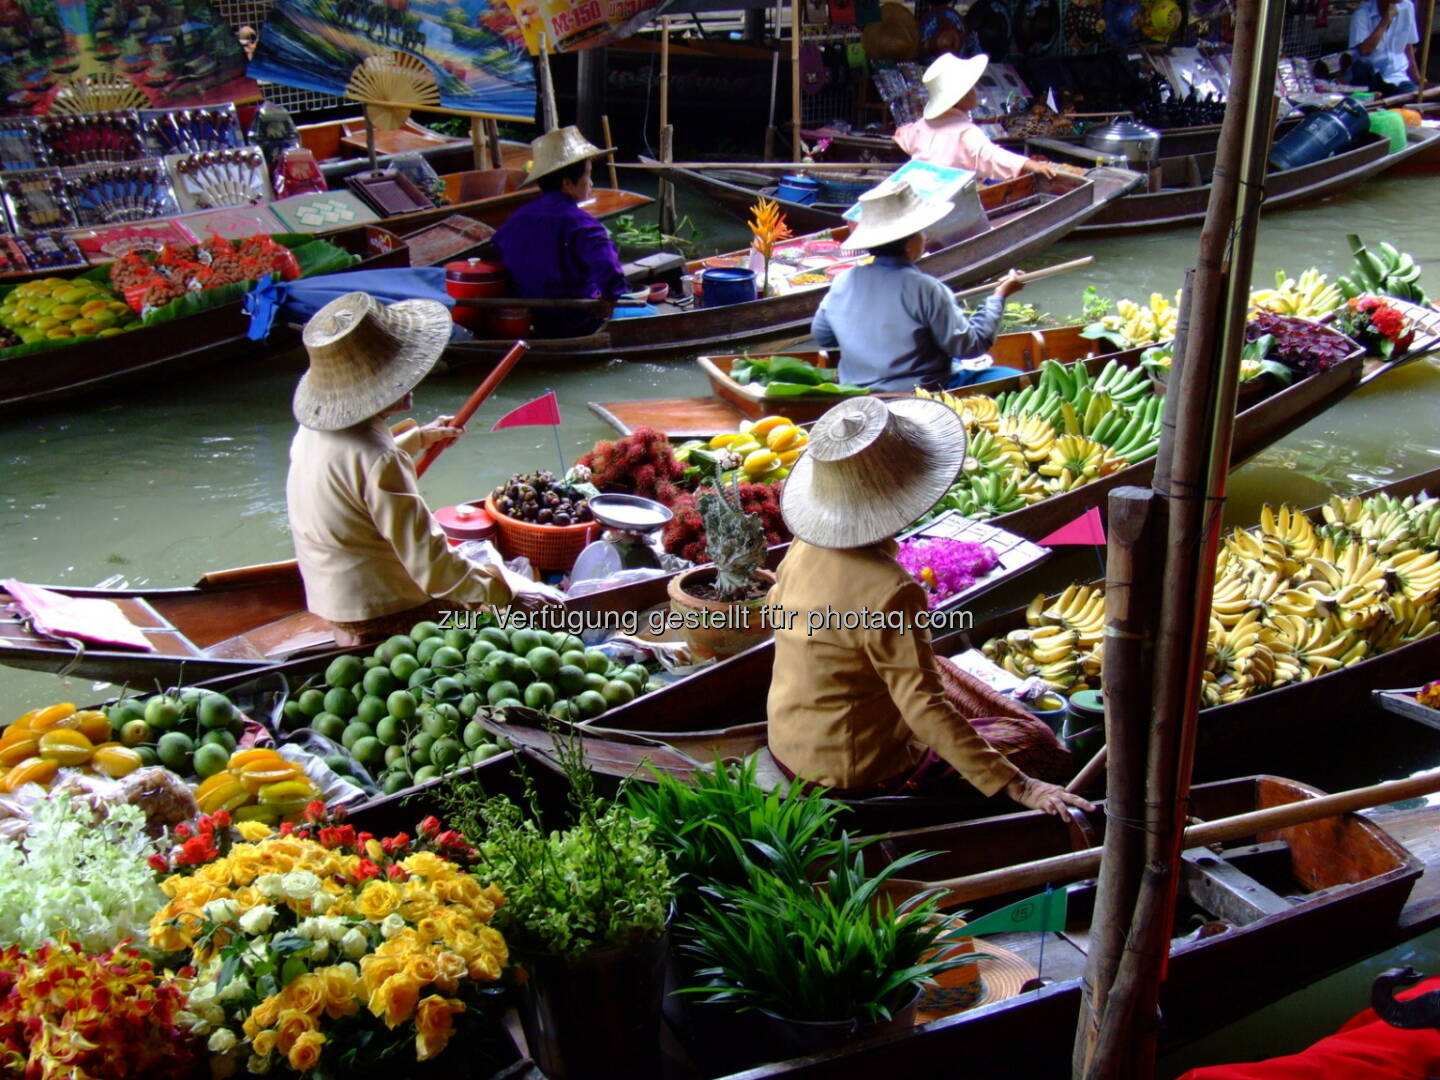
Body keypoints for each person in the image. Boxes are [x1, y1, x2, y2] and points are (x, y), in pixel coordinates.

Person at [766, 395, 1095, 817]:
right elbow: (923, 707)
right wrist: (1020, 784)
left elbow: (781, 610)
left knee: (946, 678)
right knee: (1032, 742)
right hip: (849, 770)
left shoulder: (806, 543)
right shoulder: (892, 590)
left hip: (789, 740)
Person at [286, 291, 559, 647]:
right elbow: (433, 568)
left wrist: (419, 437)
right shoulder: (380, 458)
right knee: (505, 623)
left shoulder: (315, 429)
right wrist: (506, 592)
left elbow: (351, 474)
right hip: (378, 606)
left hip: (327, 593)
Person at [811, 180, 1026, 391]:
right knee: (1017, 378)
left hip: (857, 391)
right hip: (923, 390)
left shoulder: (842, 281)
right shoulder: (927, 288)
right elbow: (969, 346)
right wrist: (998, 297)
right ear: (910, 243)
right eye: (922, 233)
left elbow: (823, 336)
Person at [490, 126, 629, 339]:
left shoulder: (516, 218)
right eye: (588, 175)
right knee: (648, 312)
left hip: (529, 318)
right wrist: (608, 302)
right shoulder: (584, 225)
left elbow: (498, 252)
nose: (590, 183)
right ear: (567, 184)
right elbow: (610, 273)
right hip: (575, 321)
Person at [893, 52, 1062, 181]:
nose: (976, 91)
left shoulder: (922, 126)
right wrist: (1029, 164)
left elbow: (902, 134)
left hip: (922, 194)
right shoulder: (965, 132)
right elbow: (990, 156)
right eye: (972, 88)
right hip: (953, 205)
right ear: (961, 97)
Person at [1348, 0, 1421, 96]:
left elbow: (1407, 44)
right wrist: (1386, 20)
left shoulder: (1407, 7)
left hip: (1396, 76)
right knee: (1363, 64)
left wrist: (1416, 75)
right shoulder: (1362, 13)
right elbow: (1365, 50)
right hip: (1369, 76)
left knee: (1413, 97)